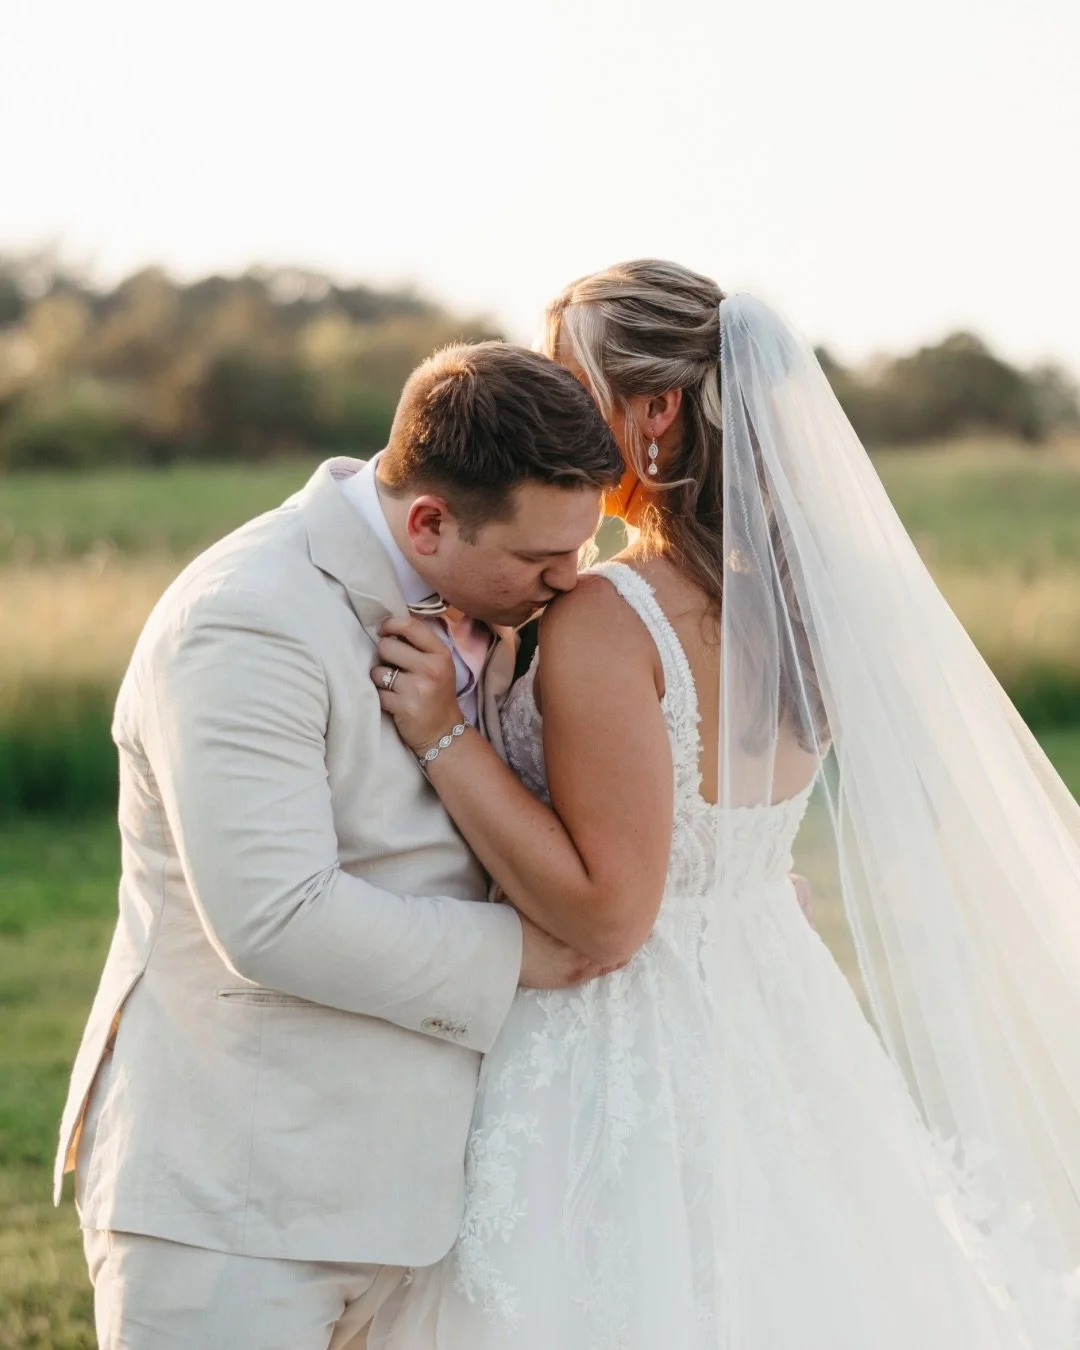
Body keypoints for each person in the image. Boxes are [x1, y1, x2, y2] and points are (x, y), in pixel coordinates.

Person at [368, 260, 1080, 1348]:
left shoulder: (613, 615)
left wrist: (444, 735)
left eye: (575, 382)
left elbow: (615, 912)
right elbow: (720, 840)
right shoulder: (798, 600)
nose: (556, 407)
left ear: (654, 414)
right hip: (771, 1002)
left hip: (624, 1042)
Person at [54, 340, 625, 1349]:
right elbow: (276, 917)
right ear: (428, 522)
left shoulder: (488, 602)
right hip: (236, 1209)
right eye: (541, 559)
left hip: (421, 1210)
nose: (568, 580)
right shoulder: (245, 618)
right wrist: (527, 959)